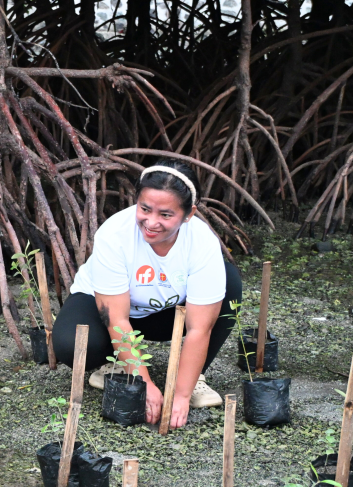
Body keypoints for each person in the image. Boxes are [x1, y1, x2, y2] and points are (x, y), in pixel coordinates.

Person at [52, 159, 242, 429]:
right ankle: (116, 365)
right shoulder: (115, 235)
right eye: (145, 209)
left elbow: (200, 328)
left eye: (166, 215)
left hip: (167, 314)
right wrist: (143, 384)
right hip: (113, 313)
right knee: (70, 344)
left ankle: (192, 376)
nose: (151, 222)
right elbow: (116, 319)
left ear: (188, 215)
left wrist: (181, 395)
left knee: (230, 283)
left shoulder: (202, 242)